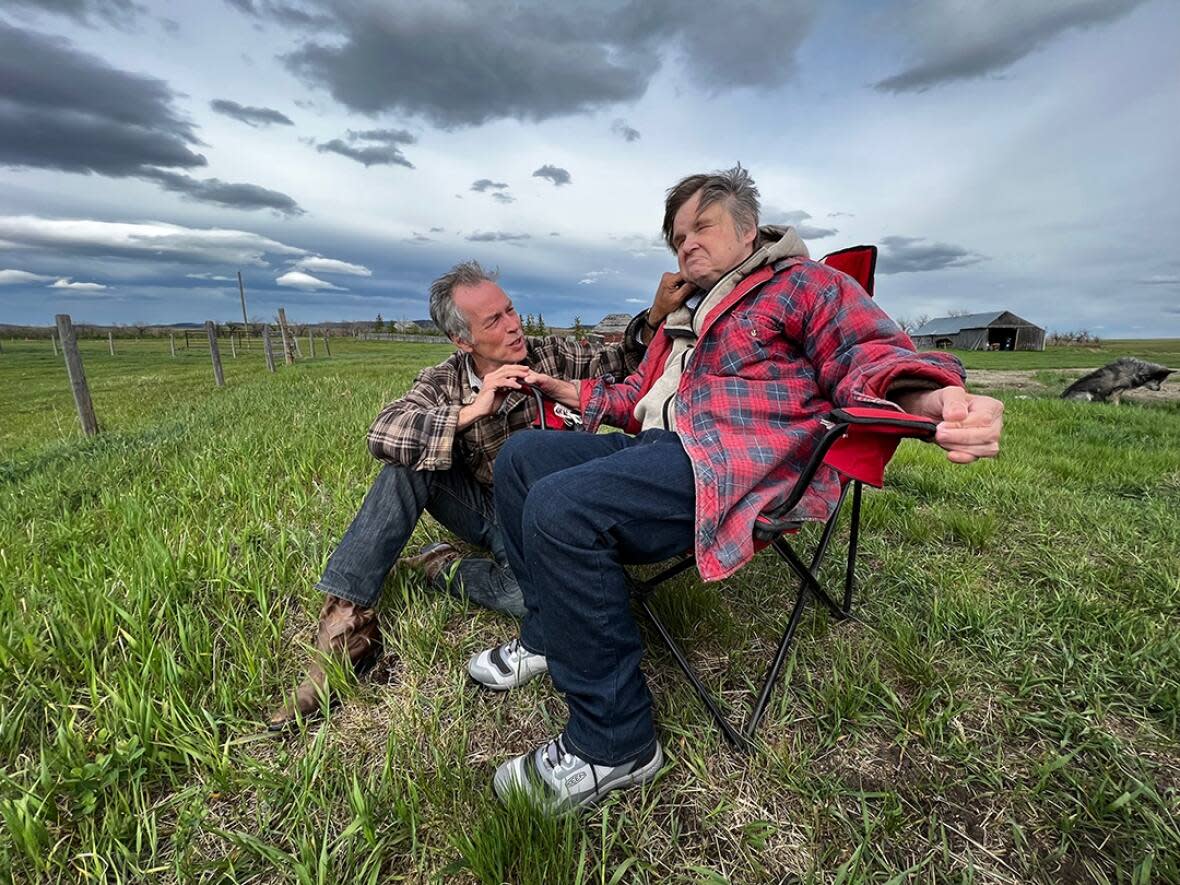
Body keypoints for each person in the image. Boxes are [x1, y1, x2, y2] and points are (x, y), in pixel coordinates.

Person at [468, 165, 1005, 815]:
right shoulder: (686, 318)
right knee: (524, 455)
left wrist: (936, 399)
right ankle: (551, 631)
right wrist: (554, 387)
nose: (685, 244)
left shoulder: (801, 285)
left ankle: (616, 741)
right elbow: (632, 398)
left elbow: (867, 355)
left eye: (701, 226)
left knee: (561, 506)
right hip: (657, 446)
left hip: (727, 464)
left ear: (749, 229)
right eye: (676, 238)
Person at [267, 259, 684, 730]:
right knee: (407, 464)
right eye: (494, 321)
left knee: (528, 598)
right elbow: (383, 431)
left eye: (510, 311)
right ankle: (345, 628)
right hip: (485, 509)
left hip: (549, 512)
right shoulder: (443, 381)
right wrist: (471, 410)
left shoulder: (549, 356)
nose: (513, 327)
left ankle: (439, 568)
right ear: (462, 340)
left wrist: (654, 316)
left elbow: (622, 361)